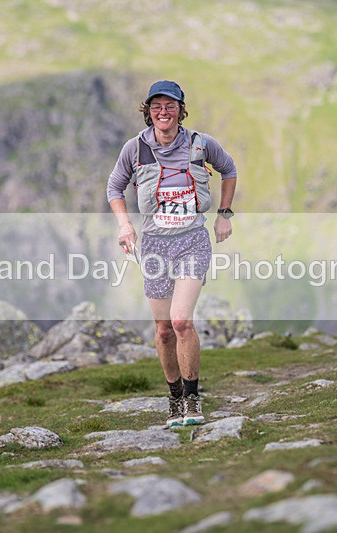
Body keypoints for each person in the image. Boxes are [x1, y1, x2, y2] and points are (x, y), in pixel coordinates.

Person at [107, 80, 238, 428]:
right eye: (156, 107)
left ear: (181, 109)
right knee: (164, 329)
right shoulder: (135, 149)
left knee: (181, 321)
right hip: (154, 245)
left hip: (192, 239)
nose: (163, 112)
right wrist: (124, 226)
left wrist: (224, 215)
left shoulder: (201, 144)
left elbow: (229, 170)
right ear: (148, 112)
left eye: (170, 106)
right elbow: (114, 187)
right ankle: (175, 396)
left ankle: (193, 400)